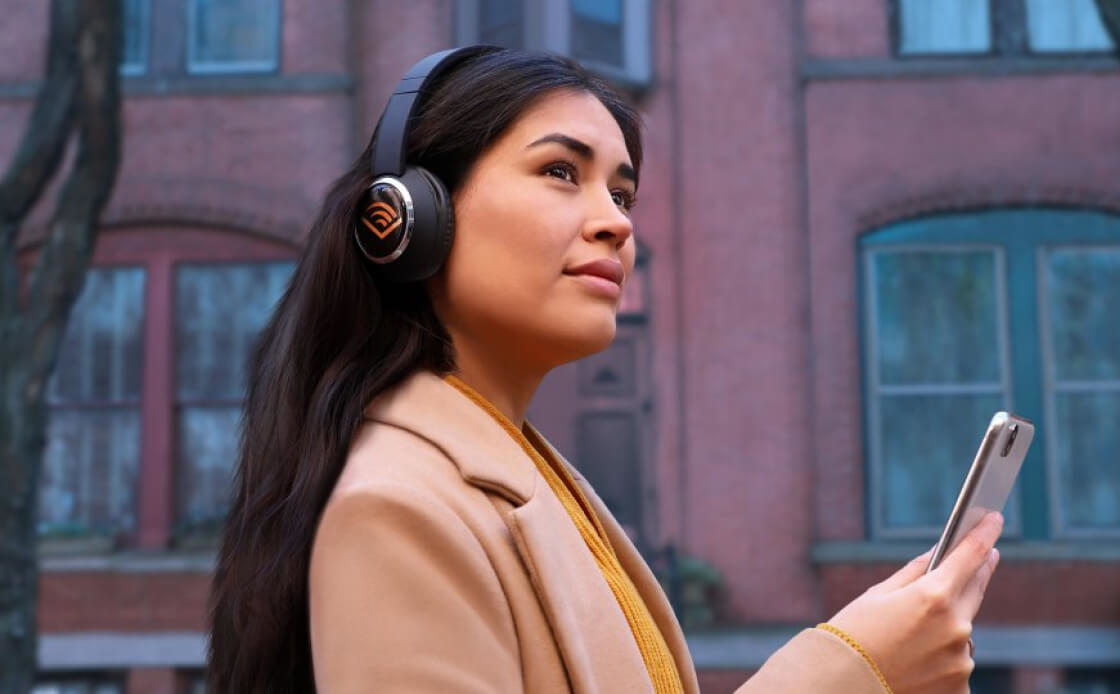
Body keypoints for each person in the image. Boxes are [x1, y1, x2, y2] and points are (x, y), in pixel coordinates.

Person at [206, 46, 1004, 694]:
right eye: (561, 171)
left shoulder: (532, 484)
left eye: (623, 192)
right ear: (408, 218)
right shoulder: (397, 511)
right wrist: (848, 673)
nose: (616, 223)